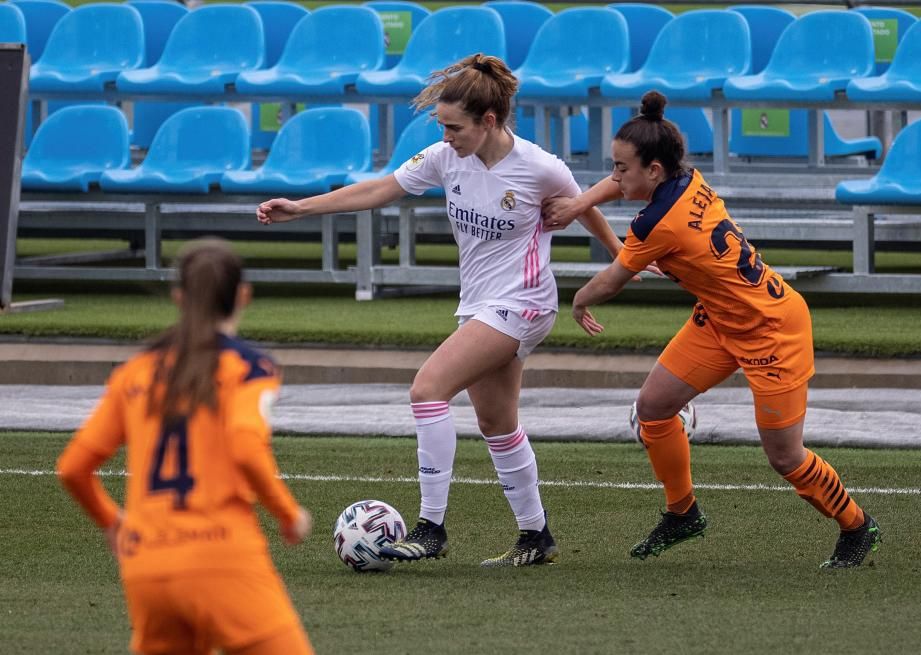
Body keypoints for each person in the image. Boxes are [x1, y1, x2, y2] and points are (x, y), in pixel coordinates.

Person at [256, 53, 624, 567]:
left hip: (524, 303)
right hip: (478, 304)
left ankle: (431, 526)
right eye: (442, 127)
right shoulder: (445, 157)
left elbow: (585, 207)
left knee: (427, 390)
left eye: (454, 127)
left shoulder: (540, 167)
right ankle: (536, 536)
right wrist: (302, 207)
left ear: (489, 121)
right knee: (497, 423)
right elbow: (381, 188)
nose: (447, 137)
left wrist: (623, 258)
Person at [542, 91, 882, 569]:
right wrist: (581, 203)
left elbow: (614, 278)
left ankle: (857, 525)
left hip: (772, 331)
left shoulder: (658, 223)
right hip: (720, 320)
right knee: (654, 408)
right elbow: (622, 187)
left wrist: (577, 300)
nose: (614, 177)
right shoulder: (685, 177)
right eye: (613, 166)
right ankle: (683, 513)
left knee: (785, 458)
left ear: (653, 171)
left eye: (621, 167)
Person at [57, 238, 315, 654]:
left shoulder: (135, 371)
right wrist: (288, 514)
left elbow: (72, 468)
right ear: (243, 295)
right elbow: (246, 446)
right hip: (222, 557)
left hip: (147, 564)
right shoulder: (248, 367)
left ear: (179, 297)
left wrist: (113, 522)